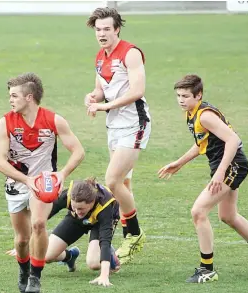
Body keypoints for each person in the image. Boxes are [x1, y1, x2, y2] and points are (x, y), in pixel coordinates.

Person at [158, 74, 248, 283]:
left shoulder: (204, 115)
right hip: (224, 166)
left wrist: (221, 172)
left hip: (232, 166)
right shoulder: (192, 113)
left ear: (198, 95)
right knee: (228, 216)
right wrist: (179, 162)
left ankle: (207, 269)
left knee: (198, 211)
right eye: (178, 95)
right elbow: (202, 143)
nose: (181, 100)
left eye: (185, 96)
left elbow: (234, 139)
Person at [0, 72, 85, 293]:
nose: (10, 100)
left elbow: (78, 151)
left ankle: (35, 277)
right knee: (22, 239)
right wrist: (27, 180)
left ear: (29, 97)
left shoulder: (53, 120)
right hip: (17, 184)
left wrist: (61, 174)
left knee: (39, 225)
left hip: (44, 184)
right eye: (10, 96)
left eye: (14, 95)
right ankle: (24, 269)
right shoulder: (5, 122)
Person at [84, 7, 151, 264]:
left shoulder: (131, 53)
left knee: (112, 181)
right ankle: (129, 238)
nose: (102, 34)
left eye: (106, 29)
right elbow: (101, 90)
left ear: (117, 29)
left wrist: (104, 106)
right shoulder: (100, 57)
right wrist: (92, 98)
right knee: (123, 185)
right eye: (98, 30)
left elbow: (137, 90)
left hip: (135, 123)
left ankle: (134, 233)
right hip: (114, 126)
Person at [6, 178, 121, 287]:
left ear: (91, 203)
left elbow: (105, 240)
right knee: (45, 256)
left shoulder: (105, 206)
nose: (77, 211)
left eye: (80, 208)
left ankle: (110, 257)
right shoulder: (69, 196)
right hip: (75, 220)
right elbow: (41, 218)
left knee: (94, 264)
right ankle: (70, 256)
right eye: (74, 207)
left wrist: (104, 276)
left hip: (99, 224)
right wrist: (24, 244)